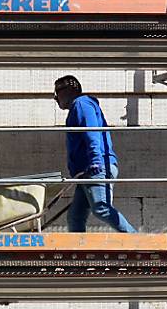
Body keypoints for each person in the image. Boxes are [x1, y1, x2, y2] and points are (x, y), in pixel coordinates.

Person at [54, 75, 137, 233]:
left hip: (96, 168)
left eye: (56, 94)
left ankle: (137, 240)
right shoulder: (79, 106)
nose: (56, 99)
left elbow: (92, 132)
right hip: (87, 171)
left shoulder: (81, 104)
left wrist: (95, 160)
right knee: (75, 216)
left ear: (69, 90)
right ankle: (78, 253)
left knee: (101, 208)